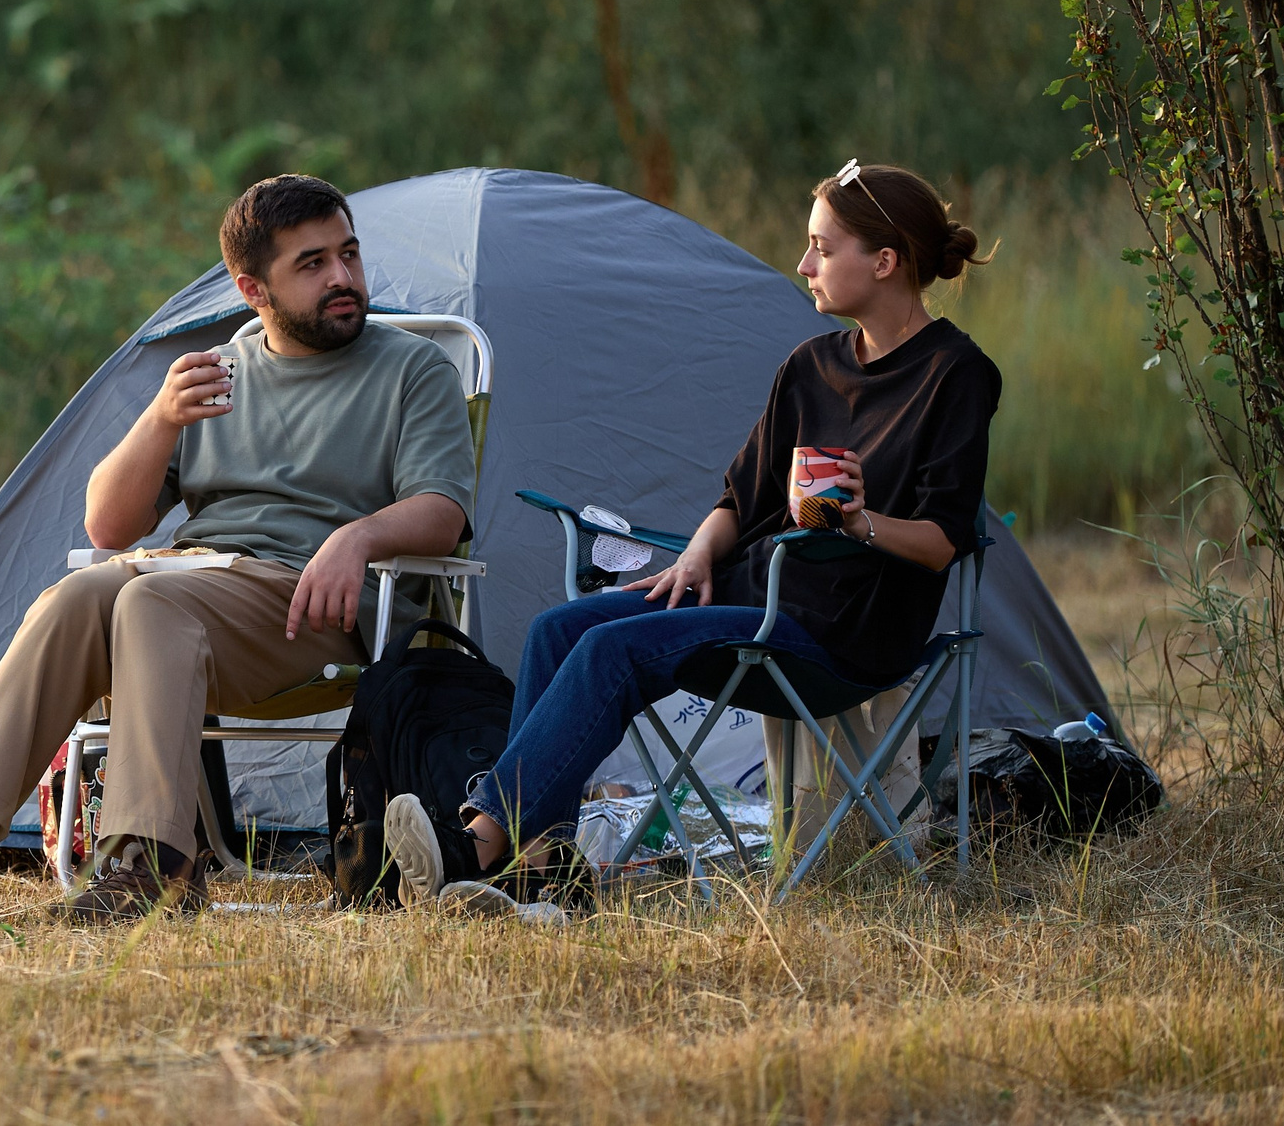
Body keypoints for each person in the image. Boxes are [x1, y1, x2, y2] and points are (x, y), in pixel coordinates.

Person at [383, 161, 999, 916]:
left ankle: (476, 842)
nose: (803, 265)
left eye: (821, 247)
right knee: (559, 629)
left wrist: (858, 521)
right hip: (755, 598)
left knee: (615, 651)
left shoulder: (955, 373)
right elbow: (739, 499)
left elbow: (943, 540)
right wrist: (703, 552)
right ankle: (541, 871)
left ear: (884, 260)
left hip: (842, 634)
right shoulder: (811, 366)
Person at [0, 174, 477, 924]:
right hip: (198, 582)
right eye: (311, 264)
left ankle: (151, 865)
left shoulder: (411, 369)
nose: (342, 278)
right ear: (253, 289)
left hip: (317, 602)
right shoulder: (220, 373)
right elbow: (108, 527)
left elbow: (444, 512)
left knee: (147, 597)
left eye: (348, 254)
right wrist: (160, 419)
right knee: (78, 593)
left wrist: (359, 534)